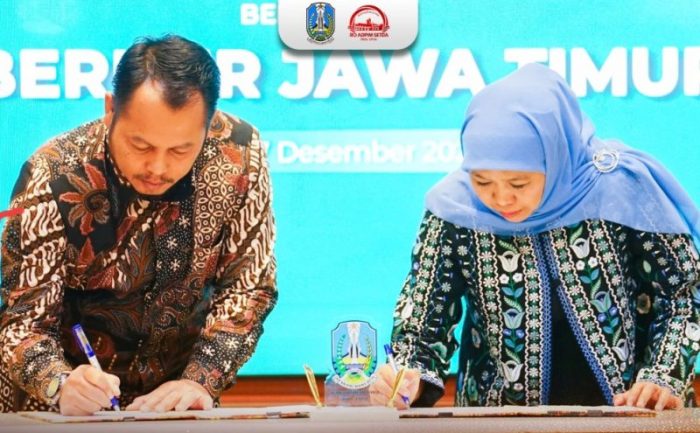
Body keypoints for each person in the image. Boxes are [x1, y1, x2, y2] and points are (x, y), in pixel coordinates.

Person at [369, 63, 700, 410]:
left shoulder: (620, 190)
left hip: (632, 416)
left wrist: (663, 374)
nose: (501, 199)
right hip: (500, 420)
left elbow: (684, 293)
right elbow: (423, 321)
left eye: (519, 183)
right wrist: (407, 376)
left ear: (555, 156)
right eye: (482, 181)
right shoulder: (454, 210)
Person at [0, 35, 277, 415]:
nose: (158, 168)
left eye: (180, 150)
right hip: (59, 410)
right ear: (110, 108)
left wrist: (200, 379)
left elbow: (248, 286)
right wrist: (57, 383)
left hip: (178, 406)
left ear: (209, 124)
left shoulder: (239, 154)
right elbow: (20, 323)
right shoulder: (55, 173)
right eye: (141, 146)